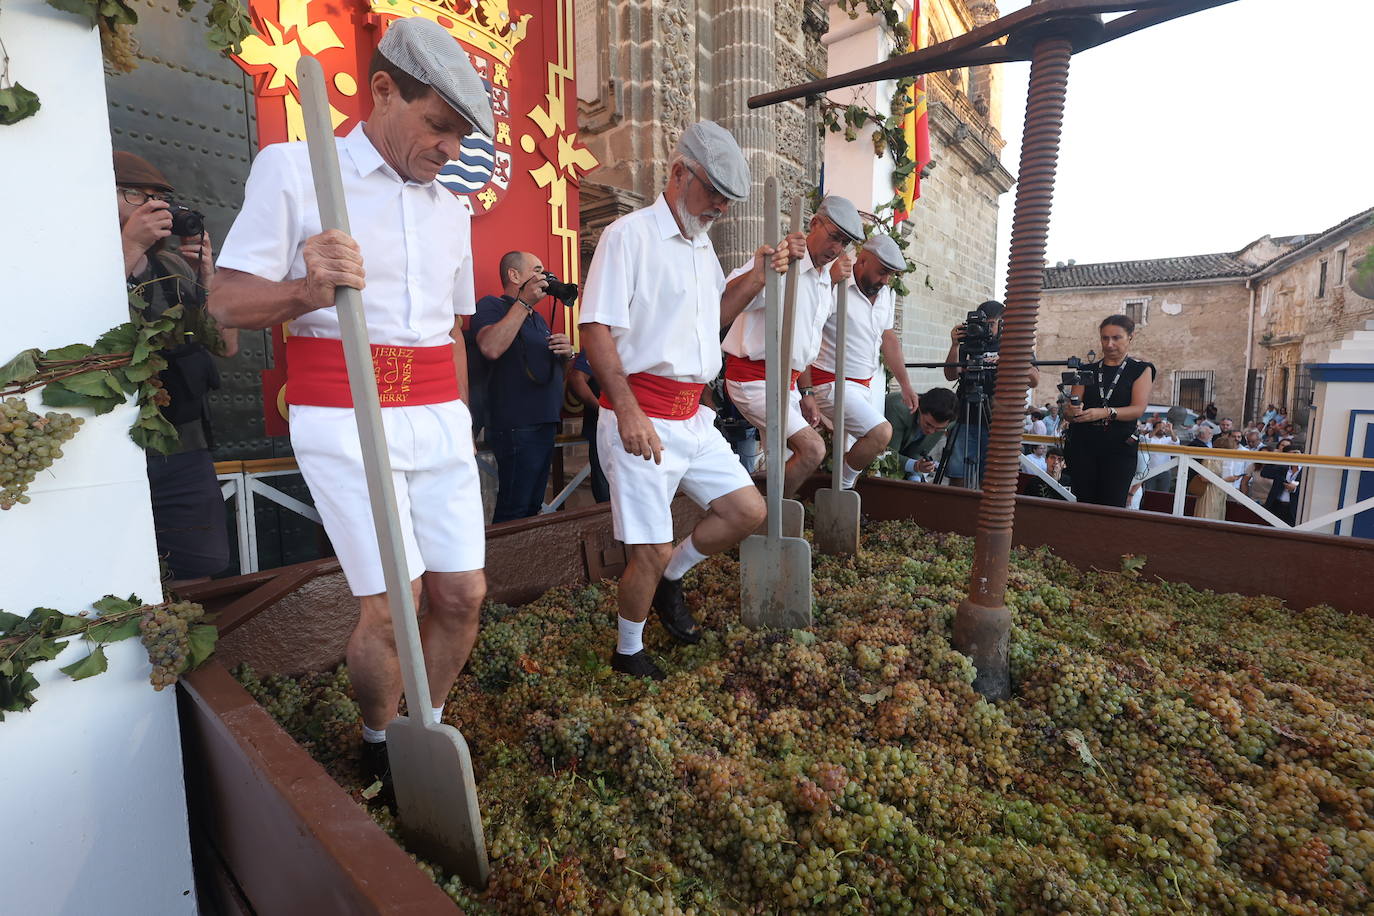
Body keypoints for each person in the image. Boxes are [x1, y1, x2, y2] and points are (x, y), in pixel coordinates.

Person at [209, 18, 492, 791]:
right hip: (344, 411)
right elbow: (225, 302)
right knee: (394, 607)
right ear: (381, 91)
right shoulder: (297, 170)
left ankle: (420, 734)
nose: (448, 148)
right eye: (437, 125)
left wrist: (461, 428)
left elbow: (454, 332)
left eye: (460, 136)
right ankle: (375, 739)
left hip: (438, 417)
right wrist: (305, 289)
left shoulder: (452, 209)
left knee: (462, 594)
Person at [578, 120, 774, 680]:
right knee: (649, 548)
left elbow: (710, 318)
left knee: (746, 511)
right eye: (714, 193)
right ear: (678, 172)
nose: (721, 209)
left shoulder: (702, 250)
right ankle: (628, 651)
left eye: (728, 200)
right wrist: (629, 411)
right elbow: (595, 330)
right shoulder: (629, 236)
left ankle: (671, 578)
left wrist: (756, 279)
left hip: (692, 415)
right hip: (640, 414)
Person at [116, 151, 238, 584]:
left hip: (183, 443)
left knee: (196, 565)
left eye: (159, 198)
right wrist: (130, 246)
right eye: (135, 195)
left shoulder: (171, 266)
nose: (152, 206)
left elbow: (224, 345)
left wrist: (208, 280)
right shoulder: (78, 260)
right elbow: (83, 330)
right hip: (111, 448)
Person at [721, 196, 861, 496]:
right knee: (812, 450)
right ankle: (762, 519)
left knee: (784, 460)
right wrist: (770, 267)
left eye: (845, 243)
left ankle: (763, 520)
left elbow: (803, 343)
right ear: (813, 224)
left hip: (788, 383)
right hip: (753, 378)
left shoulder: (825, 278)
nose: (837, 248)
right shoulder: (783, 259)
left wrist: (806, 393)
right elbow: (724, 294)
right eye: (834, 237)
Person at [803, 234, 917, 489]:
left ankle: (836, 500)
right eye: (882, 272)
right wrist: (806, 390)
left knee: (859, 448)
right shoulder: (835, 285)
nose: (885, 280)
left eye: (890, 275)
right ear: (863, 260)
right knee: (880, 433)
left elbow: (889, 340)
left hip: (862, 386)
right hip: (830, 383)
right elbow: (806, 334)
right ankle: (841, 489)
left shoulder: (886, 293)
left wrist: (906, 384)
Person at [472, 251, 575, 522]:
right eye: (537, 270)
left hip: (544, 421)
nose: (544, 277)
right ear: (514, 275)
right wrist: (523, 303)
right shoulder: (492, 306)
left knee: (531, 507)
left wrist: (566, 356)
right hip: (517, 424)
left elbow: (551, 376)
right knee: (515, 509)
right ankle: (506, 562)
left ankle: (525, 562)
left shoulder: (538, 320)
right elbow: (491, 347)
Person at [940, 300, 1040, 487]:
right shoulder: (968, 343)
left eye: (991, 324)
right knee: (957, 472)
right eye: (982, 324)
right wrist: (954, 345)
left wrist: (1009, 360)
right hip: (965, 416)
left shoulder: (1013, 344)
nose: (985, 329)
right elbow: (950, 374)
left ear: (1002, 323)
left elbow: (1034, 379)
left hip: (997, 420)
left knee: (992, 477)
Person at [1062, 314, 1156, 507]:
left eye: (1116, 338)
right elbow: (1070, 410)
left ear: (1131, 337)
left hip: (1119, 447)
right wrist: (1072, 412)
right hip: (1083, 446)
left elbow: (1138, 409)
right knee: (1084, 503)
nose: (1110, 344)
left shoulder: (1140, 369)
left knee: (1112, 504)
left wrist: (1105, 412)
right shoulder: (1086, 369)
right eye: (1105, 338)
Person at [883, 386, 957, 480]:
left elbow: (917, 452)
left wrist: (916, 476)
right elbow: (888, 455)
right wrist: (916, 466)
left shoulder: (948, 424)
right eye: (928, 424)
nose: (931, 431)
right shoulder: (899, 409)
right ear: (919, 409)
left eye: (938, 429)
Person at [566, 352, 611, 503]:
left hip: (639, 431)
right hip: (604, 432)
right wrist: (603, 410)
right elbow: (577, 379)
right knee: (606, 497)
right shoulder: (602, 338)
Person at [1262, 449, 1302, 526]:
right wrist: (1273, 457)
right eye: (1290, 454)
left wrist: (1295, 489)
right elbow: (1264, 473)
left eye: (1296, 453)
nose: (1293, 456)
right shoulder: (1282, 467)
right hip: (1276, 506)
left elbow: (1310, 490)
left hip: (1293, 509)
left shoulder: (1307, 471)